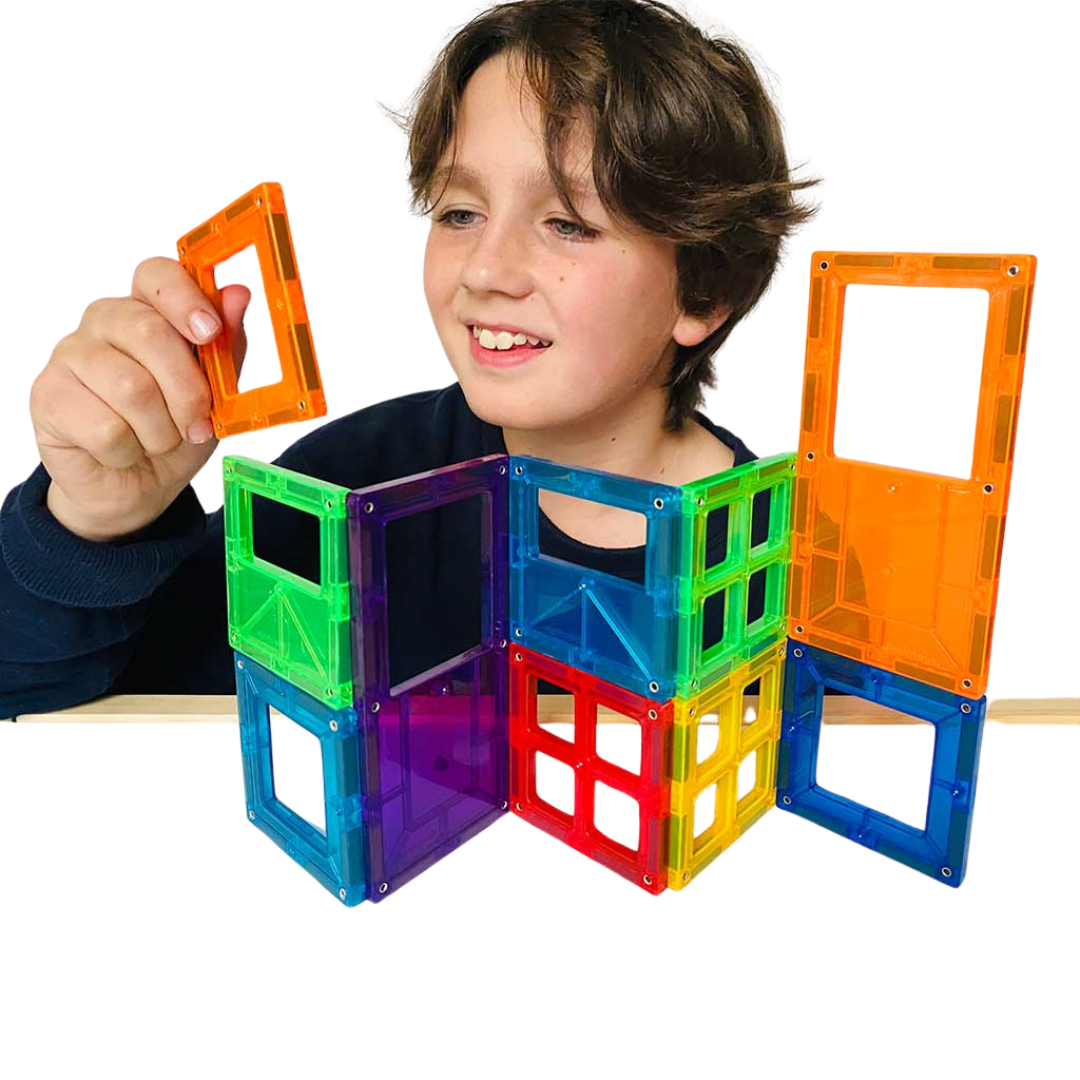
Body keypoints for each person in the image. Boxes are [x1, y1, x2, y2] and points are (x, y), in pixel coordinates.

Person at [0, 0, 817, 719]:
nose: (484, 271)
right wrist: (95, 524)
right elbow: (39, 690)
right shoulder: (351, 488)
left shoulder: (793, 575)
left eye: (567, 223)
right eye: (460, 213)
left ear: (705, 292)